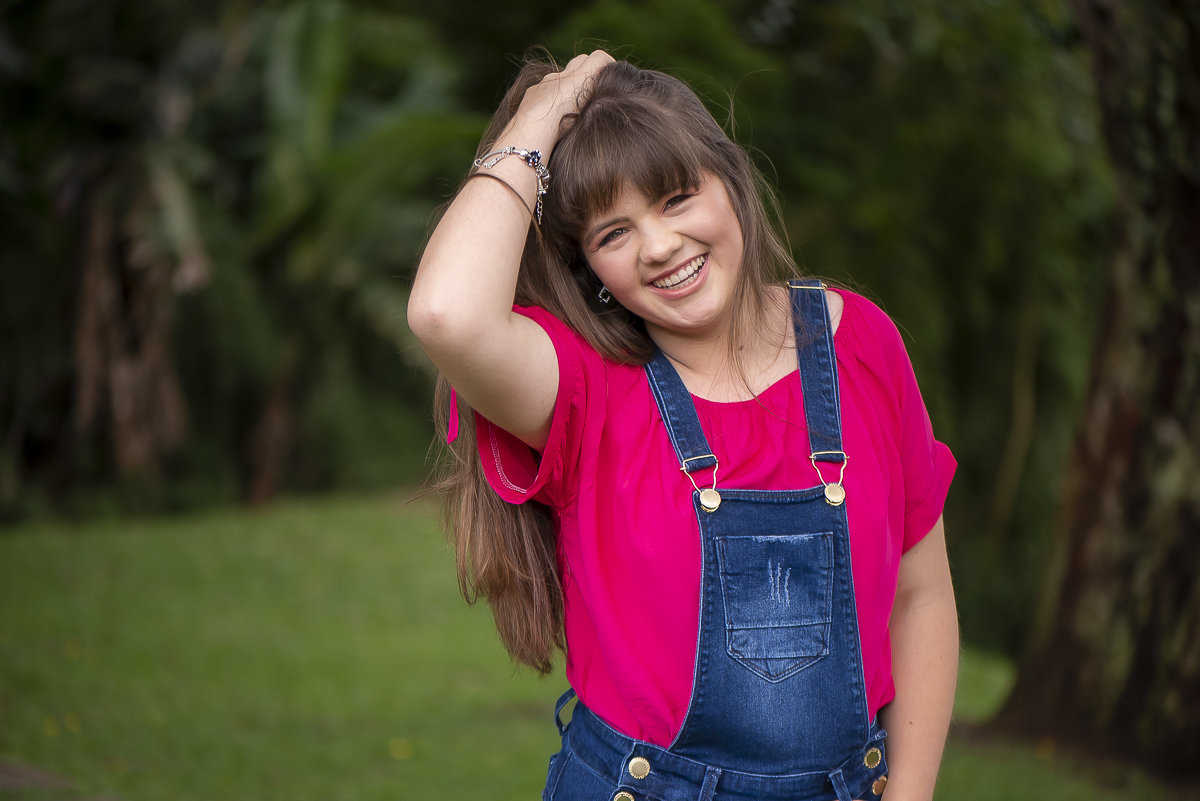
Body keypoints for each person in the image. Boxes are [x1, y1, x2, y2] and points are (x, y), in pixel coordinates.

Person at [408, 50, 959, 801]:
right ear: (590, 272)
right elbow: (446, 312)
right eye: (613, 234)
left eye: (675, 198)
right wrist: (547, 106)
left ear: (730, 180)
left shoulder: (862, 343)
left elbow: (922, 597)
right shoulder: (582, 390)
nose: (660, 246)